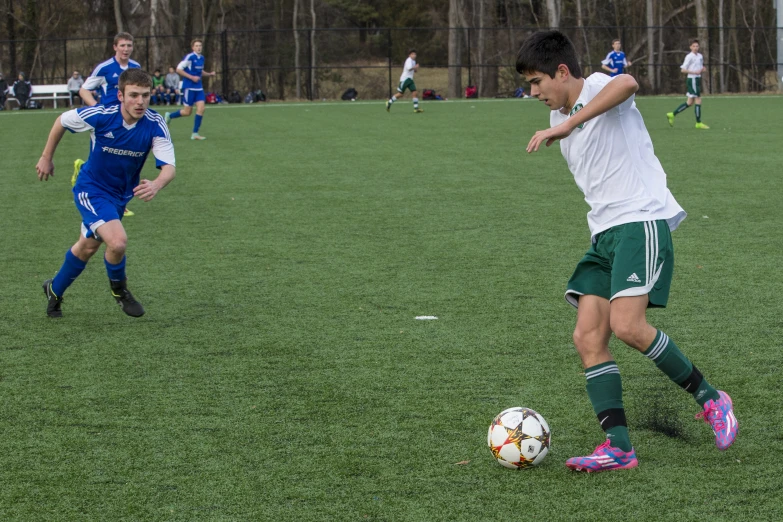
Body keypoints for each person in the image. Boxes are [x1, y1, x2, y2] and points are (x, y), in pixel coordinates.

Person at [517, 30, 737, 472]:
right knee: (587, 337)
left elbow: (629, 84)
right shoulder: (567, 118)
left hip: (640, 221)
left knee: (629, 326)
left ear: (563, 71)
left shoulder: (597, 86)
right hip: (605, 236)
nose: (533, 92)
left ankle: (712, 399)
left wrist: (567, 124)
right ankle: (619, 447)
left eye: (537, 81)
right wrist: (567, 124)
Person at [36, 68, 175, 319]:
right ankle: (120, 291)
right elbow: (61, 121)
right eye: (133, 95)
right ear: (120, 95)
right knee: (118, 241)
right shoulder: (101, 115)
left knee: (86, 248)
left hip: (119, 196)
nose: (140, 102)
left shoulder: (155, 124)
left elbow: (169, 168)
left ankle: (54, 291)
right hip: (91, 190)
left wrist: (156, 184)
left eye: (145, 95)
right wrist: (47, 157)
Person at [78, 32, 140, 216]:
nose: (126, 49)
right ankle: (87, 179)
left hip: (128, 121)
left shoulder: (136, 67)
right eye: (122, 45)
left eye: (129, 45)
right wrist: (97, 109)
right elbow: (84, 90)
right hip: (107, 122)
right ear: (115, 47)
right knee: (103, 160)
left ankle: (120, 200)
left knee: (126, 159)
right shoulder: (104, 68)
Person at [165, 39, 216, 140]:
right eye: (196, 46)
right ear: (193, 47)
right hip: (189, 87)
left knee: (201, 108)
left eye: (200, 46)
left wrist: (209, 74)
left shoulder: (201, 58)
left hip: (199, 88)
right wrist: (191, 77)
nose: (199, 47)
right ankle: (170, 116)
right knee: (187, 112)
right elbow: (178, 69)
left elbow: (200, 71)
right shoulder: (189, 57)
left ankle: (195, 133)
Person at [667, 39, 709, 129]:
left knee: (690, 102)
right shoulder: (689, 57)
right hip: (692, 79)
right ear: (690, 47)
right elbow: (683, 69)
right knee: (698, 100)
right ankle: (698, 123)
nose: (695, 48)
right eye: (693, 46)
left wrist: (702, 69)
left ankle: (672, 114)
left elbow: (700, 68)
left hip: (697, 79)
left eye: (697, 46)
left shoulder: (700, 56)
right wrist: (694, 72)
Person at [385, 49, 423, 113]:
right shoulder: (409, 60)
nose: (414, 55)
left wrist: (416, 68)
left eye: (415, 54)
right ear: (409, 55)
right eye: (413, 54)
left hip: (410, 79)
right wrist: (415, 67)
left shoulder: (413, 61)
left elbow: (414, 70)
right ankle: (389, 102)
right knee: (400, 94)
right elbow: (409, 68)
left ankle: (416, 108)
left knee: (414, 92)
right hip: (405, 79)